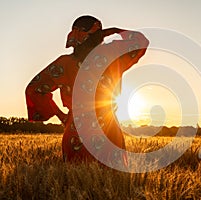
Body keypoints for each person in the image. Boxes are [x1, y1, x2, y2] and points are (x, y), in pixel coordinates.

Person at [25, 15, 149, 165]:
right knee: (113, 182)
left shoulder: (64, 64)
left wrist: (61, 116)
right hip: (108, 129)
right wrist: (112, 31)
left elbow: (33, 89)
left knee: (74, 181)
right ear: (97, 35)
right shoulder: (111, 55)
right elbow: (141, 41)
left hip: (75, 131)